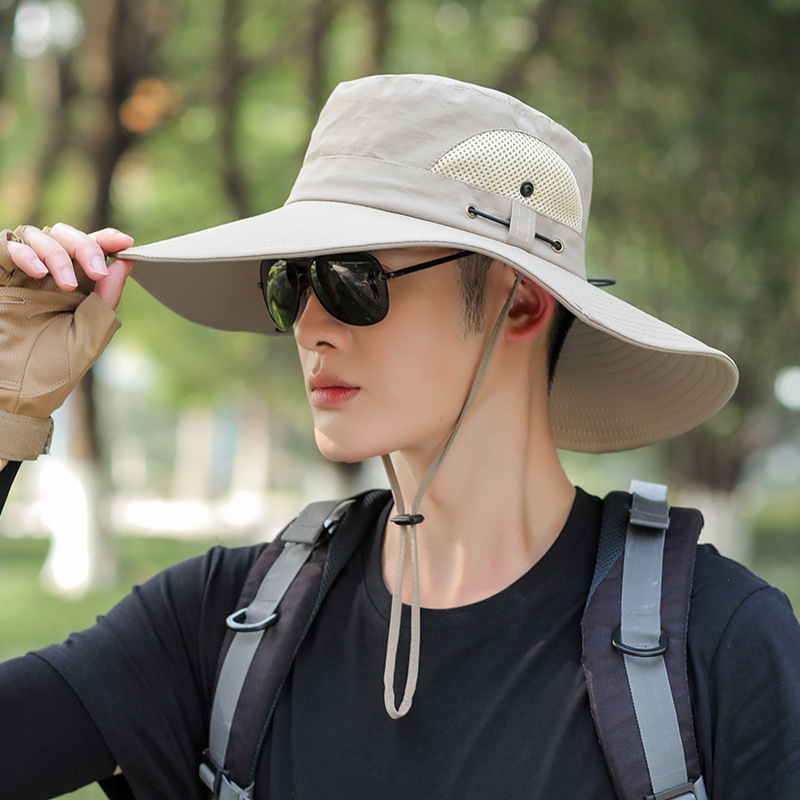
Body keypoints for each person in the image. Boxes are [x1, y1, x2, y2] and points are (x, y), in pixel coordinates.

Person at [0, 73, 798, 800]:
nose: (309, 327)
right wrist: (6, 408)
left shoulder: (718, 644)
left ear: (521, 303)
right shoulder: (223, 624)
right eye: (292, 284)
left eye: (353, 279)